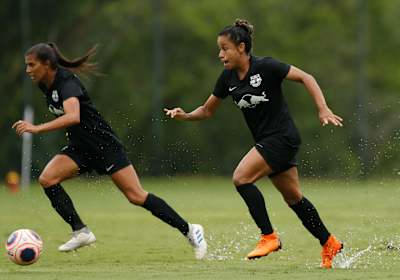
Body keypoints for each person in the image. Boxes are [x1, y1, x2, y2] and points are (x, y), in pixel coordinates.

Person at [164, 19, 343, 268]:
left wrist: (323, 109)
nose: (220, 54)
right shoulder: (227, 78)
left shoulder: (266, 67)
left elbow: (307, 77)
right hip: (269, 141)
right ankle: (329, 242)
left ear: (241, 47)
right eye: (219, 49)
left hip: (282, 137)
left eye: (224, 48)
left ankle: (269, 236)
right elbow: (207, 110)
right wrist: (185, 115)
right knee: (294, 198)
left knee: (241, 178)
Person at [12, 42, 207, 260]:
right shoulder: (45, 84)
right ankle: (81, 231)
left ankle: (190, 230)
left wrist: (37, 128)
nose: (28, 70)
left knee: (136, 196)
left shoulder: (66, 83)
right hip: (80, 147)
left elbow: (73, 116)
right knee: (47, 179)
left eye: (31, 65)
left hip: (103, 145)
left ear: (47, 64)